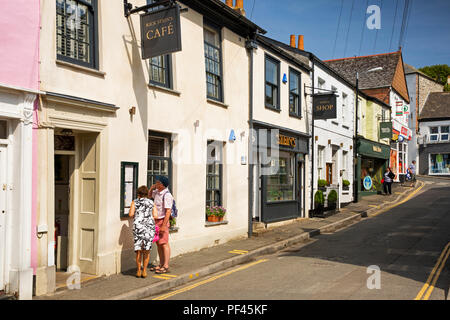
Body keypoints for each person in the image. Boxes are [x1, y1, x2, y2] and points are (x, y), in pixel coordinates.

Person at [129, 185, 156, 278]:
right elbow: (155, 215)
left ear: (139, 194)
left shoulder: (134, 202)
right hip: (149, 227)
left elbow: (131, 214)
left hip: (138, 227)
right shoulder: (151, 202)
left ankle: (138, 270)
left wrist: (137, 215)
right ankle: (144, 271)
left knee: (138, 250)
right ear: (147, 194)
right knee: (146, 250)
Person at [148, 176, 173, 274]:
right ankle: (161, 264)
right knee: (158, 243)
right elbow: (149, 195)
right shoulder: (157, 192)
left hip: (162, 221)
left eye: (157, 183)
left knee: (164, 243)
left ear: (162, 184)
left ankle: (166, 265)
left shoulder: (167, 195)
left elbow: (168, 211)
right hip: (156, 220)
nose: (156, 184)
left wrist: (163, 225)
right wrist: (151, 187)